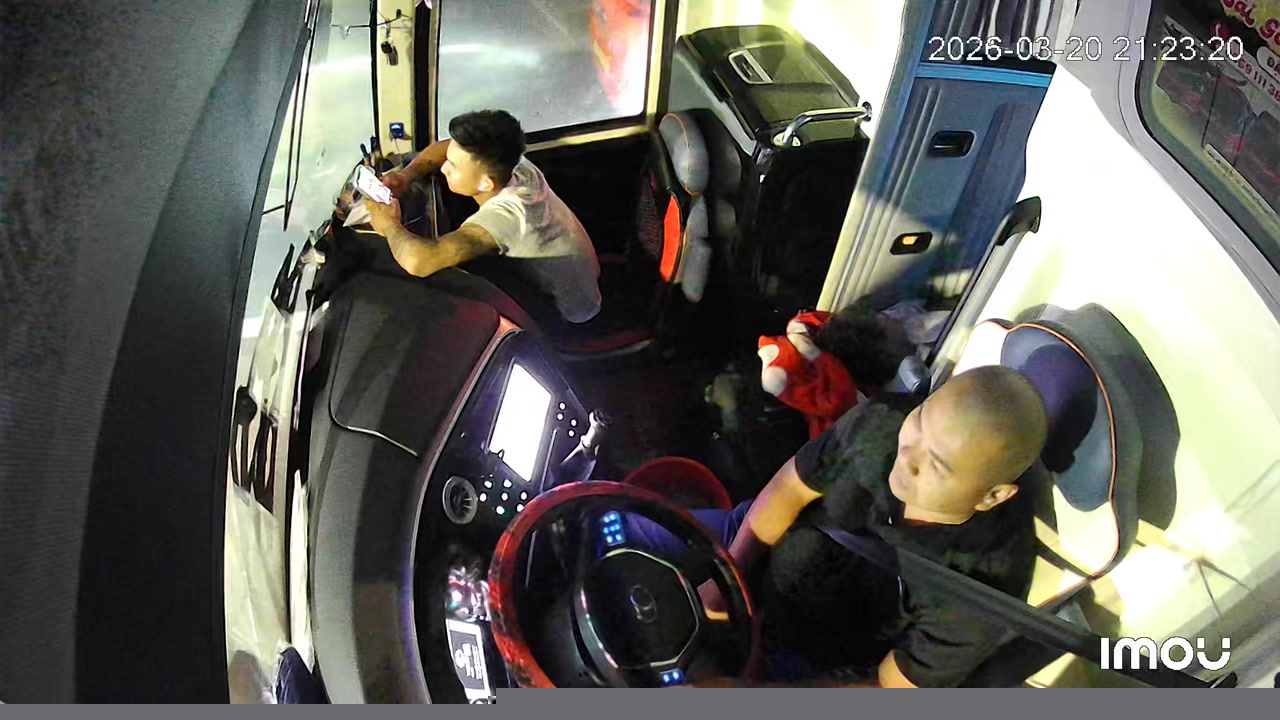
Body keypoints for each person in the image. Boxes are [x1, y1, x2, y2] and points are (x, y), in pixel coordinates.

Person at [626, 364, 1048, 688]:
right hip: (753, 544)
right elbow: (790, 489)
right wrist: (727, 577)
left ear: (993, 495)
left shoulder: (983, 586)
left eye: (936, 464)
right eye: (919, 422)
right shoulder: (884, 419)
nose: (907, 456)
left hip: (808, 661)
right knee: (618, 528)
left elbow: (889, 687)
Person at [364, 109, 603, 325]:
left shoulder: (508, 216)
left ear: (485, 183)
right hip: (577, 272)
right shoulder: (509, 162)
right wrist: (407, 175)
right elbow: (445, 148)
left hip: (570, 311)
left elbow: (419, 262)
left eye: (453, 166)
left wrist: (388, 224)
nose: (444, 167)